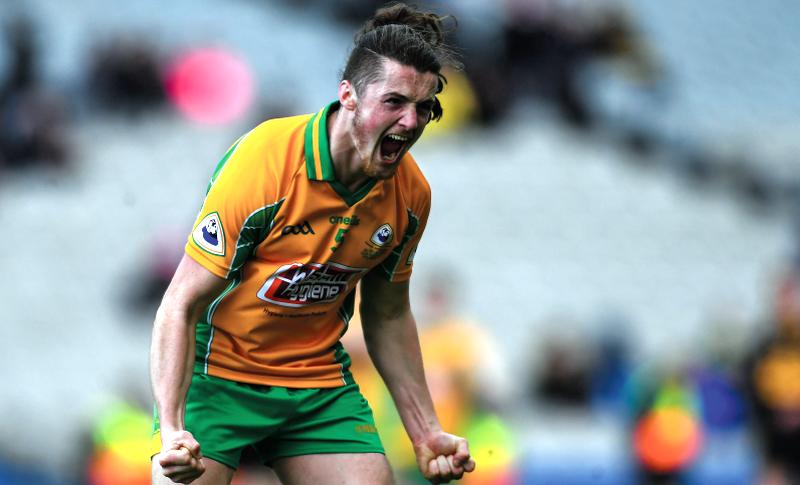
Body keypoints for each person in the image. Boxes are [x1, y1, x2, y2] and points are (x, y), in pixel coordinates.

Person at [149, 3, 475, 484]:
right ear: (348, 95)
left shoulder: (411, 195)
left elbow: (387, 314)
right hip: (215, 377)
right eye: (394, 102)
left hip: (314, 383)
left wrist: (425, 432)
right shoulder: (266, 162)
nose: (411, 122)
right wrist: (172, 430)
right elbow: (179, 304)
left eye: (424, 108)